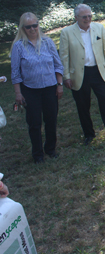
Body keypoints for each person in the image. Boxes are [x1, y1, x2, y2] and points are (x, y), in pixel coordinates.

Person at [59, 4, 105, 146]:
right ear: (76, 18)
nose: (87, 19)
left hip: (99, 71)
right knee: (83, 106)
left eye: (89, 16)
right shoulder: (66, 32)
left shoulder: (99, 28)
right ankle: (89, 134)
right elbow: (64, 57)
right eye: (84, 17)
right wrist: (66, 76)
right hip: (79, 74)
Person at [10, 12, 64, 164]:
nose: (33, 29)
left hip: (50, 87)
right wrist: (18, 93)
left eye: (35, 25)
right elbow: (15, 72)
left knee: (51, 119)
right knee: (34, 123)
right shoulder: (18, 47)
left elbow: (58, 64)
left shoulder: (47, 42)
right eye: (28, 27)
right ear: (23, 28)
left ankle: (51, 149)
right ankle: (37, 154)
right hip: (30, 89)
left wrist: (59, 85)